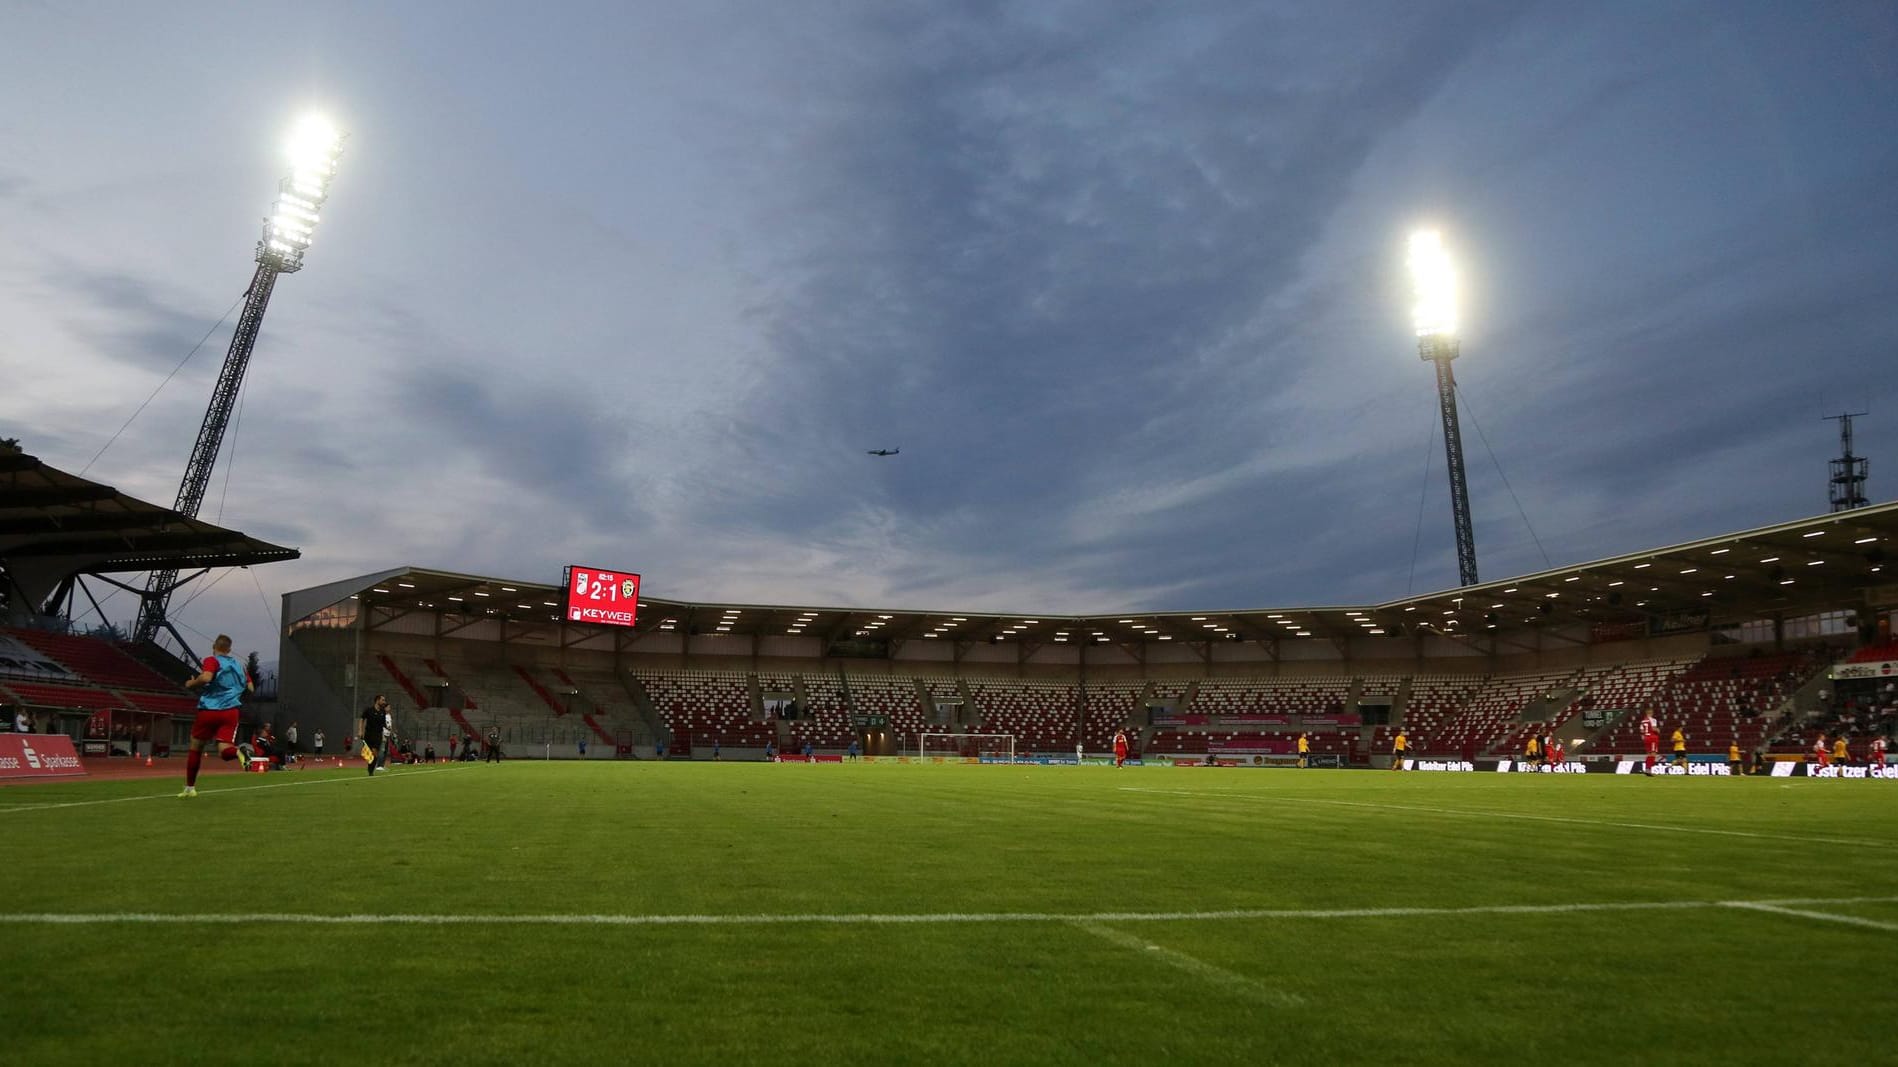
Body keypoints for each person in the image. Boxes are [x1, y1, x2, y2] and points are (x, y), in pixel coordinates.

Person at [177, 634, 254, 797]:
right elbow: (251, 688)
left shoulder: (212, 660)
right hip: (231, 711)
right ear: (229, 649)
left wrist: (191, 683)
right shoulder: (240, 666)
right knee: (225, 751)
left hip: (209, 710)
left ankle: (190, 788)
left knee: (196, 747)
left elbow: (206, 677)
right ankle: (239, 752)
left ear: (214, 647)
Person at [359, 695, 390, 776]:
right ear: (377, 700)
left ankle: (371, 770)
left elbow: (383, 724)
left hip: (378, 735)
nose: (384, 702)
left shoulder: (383, 712)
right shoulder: (369, 710)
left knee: (375, 752)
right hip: (368, 734)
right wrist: (360, 731)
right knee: (368, 754)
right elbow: (362, 719)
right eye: (383, 700)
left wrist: (387, 728)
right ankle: (370, 767)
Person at [1640, 711, 1661, 775]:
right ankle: (1649, 770)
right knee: (1653, 754)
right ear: (1650, 713)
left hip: (1646, 738)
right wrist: (1658, 730)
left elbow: (1642, 731)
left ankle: (1647, 769)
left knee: (1648, 754)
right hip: (1652, 738)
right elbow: (1654, 729)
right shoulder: (1653, 720)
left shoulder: (1642, 721)